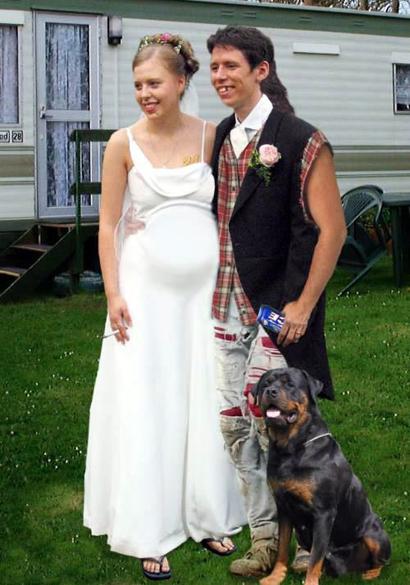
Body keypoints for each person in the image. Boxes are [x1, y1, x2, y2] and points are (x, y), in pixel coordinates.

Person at [83, 33, 246, 581]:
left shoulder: (212, 137)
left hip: (205, 297)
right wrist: (113, 294)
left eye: (154, 83)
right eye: (138, 85)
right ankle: (149, 527)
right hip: (145, 297)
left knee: (204, 396)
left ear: (180, 82)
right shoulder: (122, 144)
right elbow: (108, 224)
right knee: (149, 400)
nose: (145, 94)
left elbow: (233, 211)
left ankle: (208, 513)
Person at [207, 26, 347, 578]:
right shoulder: (222, 136)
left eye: (230, 66)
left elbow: (332, 230)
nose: (220, 76)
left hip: (277, 310)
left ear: (261, 70)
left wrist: (303, 306)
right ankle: (265, 539)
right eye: (214, 67)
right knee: (234, 426)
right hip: (224, 306)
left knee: (280, 425)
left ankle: (313, 537)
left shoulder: (302, 139)